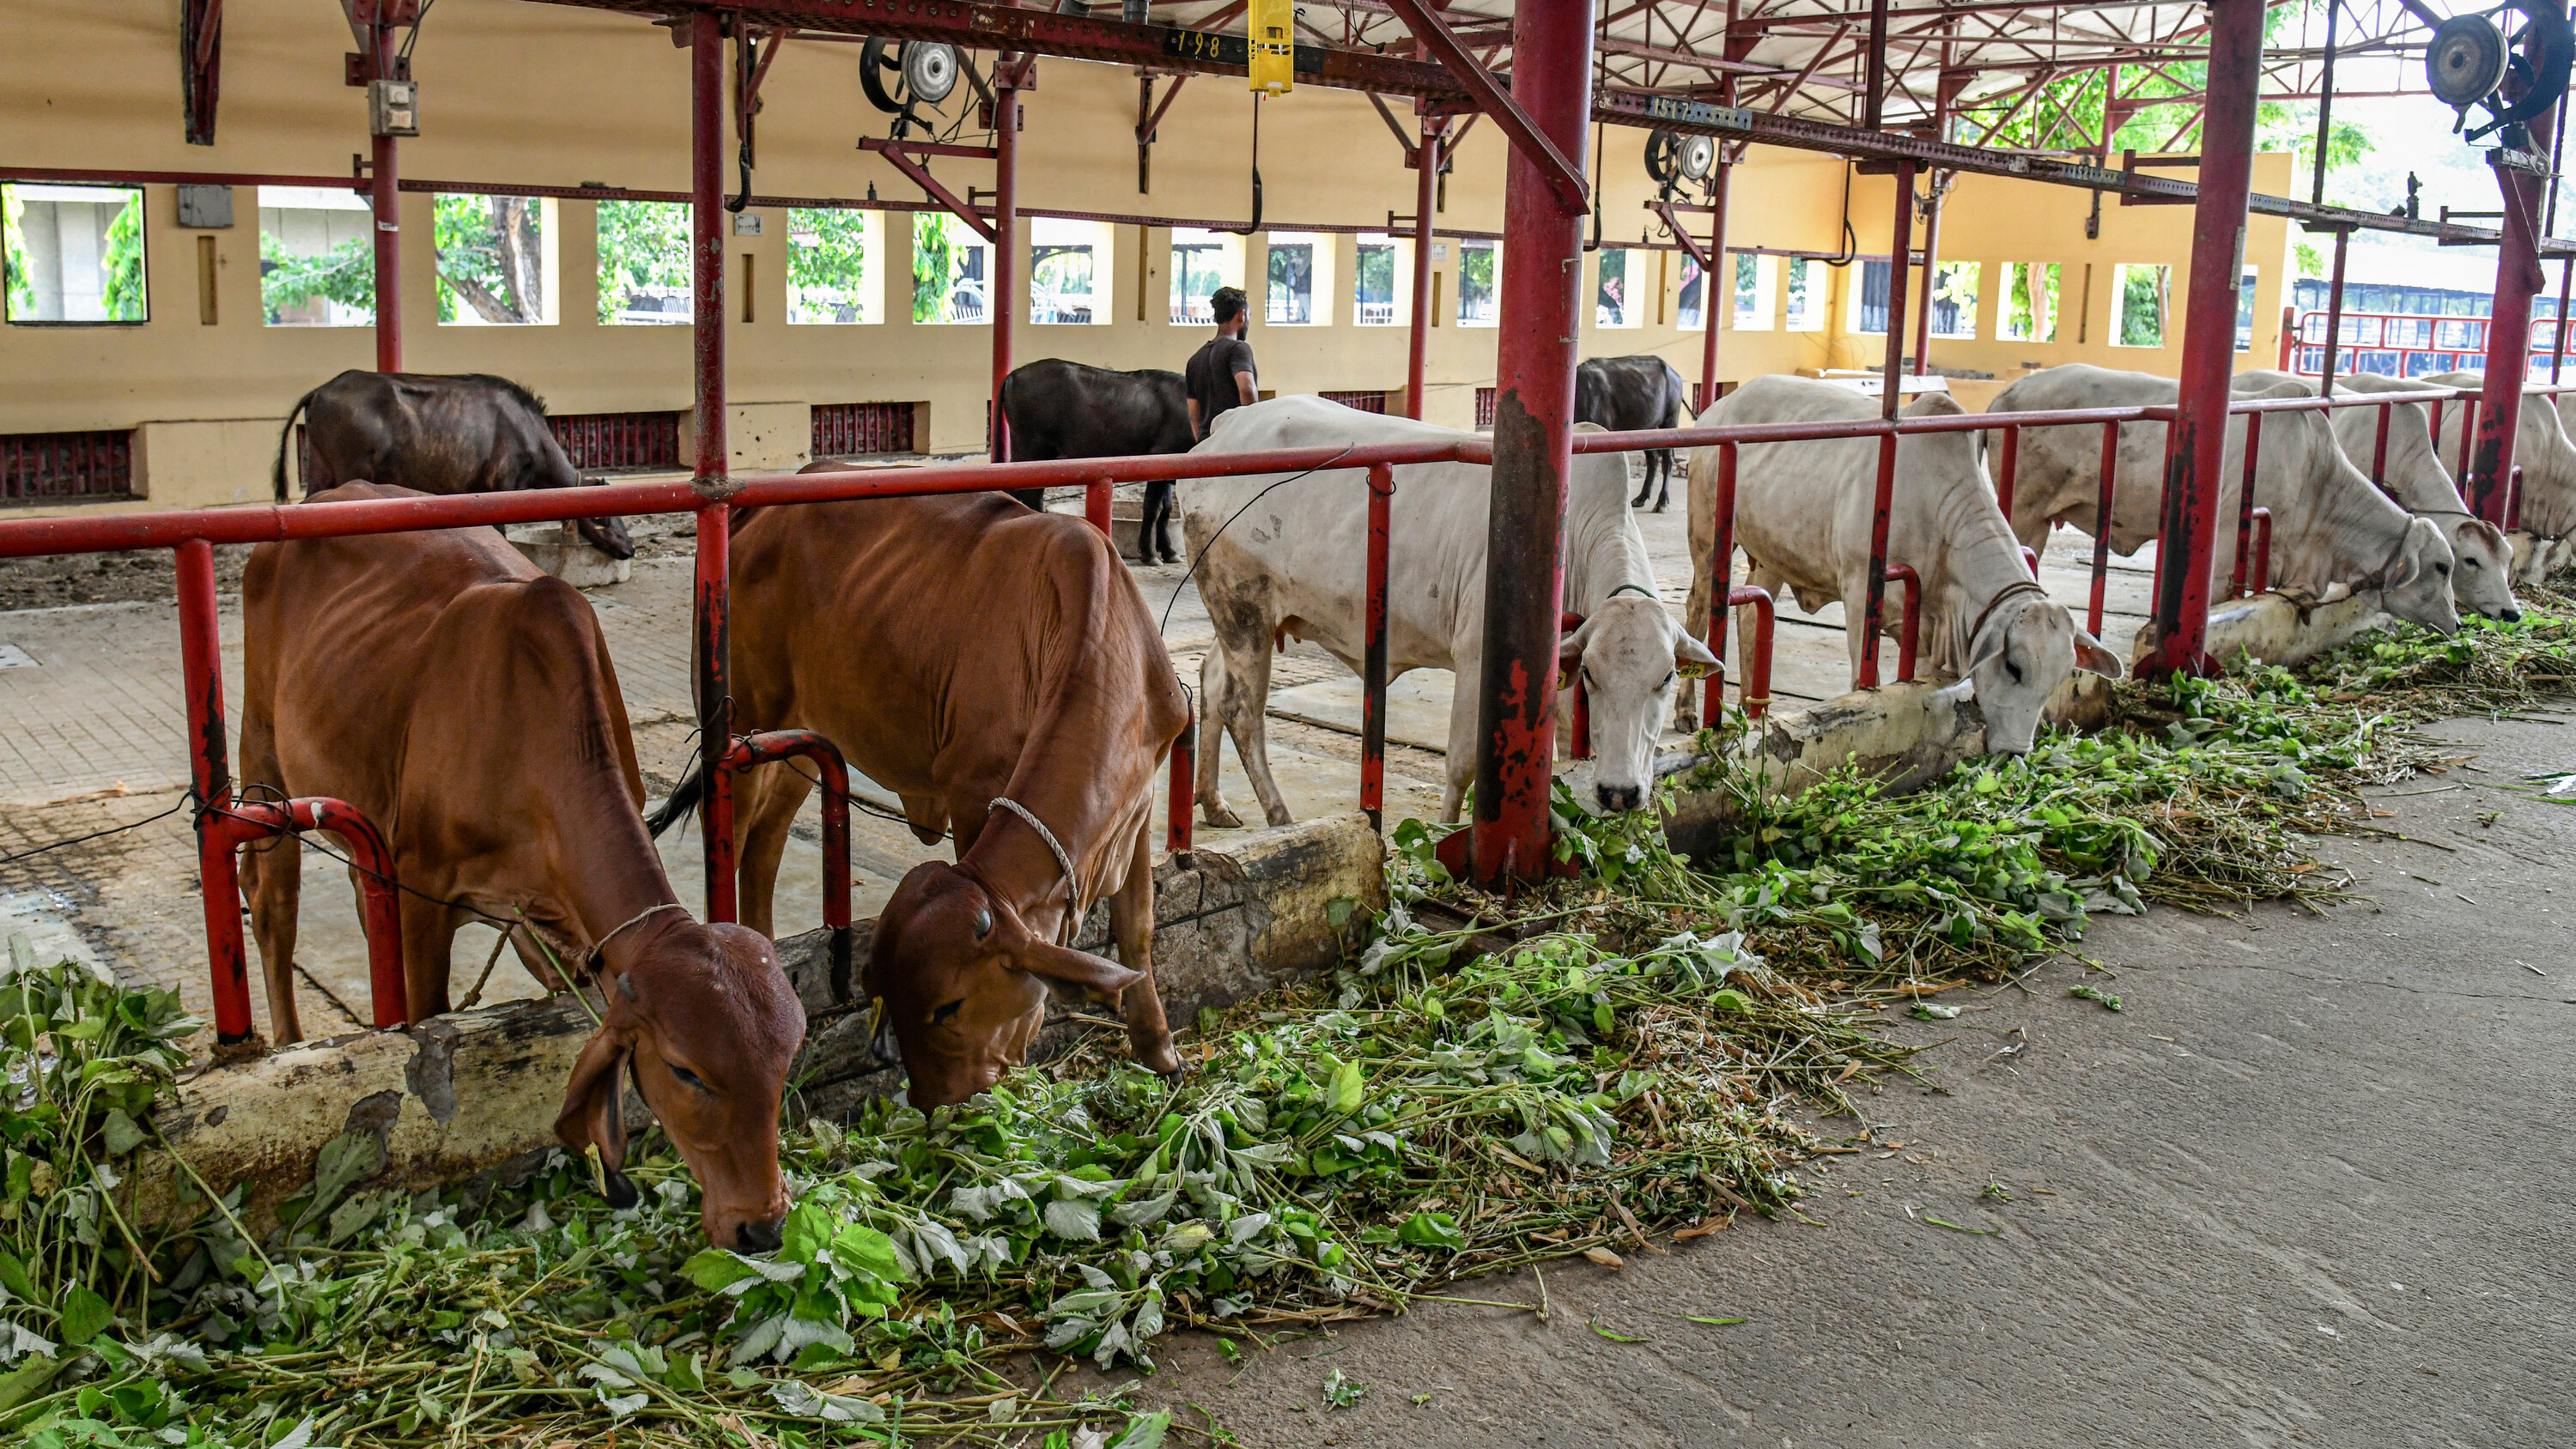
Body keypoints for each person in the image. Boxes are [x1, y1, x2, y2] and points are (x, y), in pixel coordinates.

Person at [1148, 286, 1260, 565]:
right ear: (1241, 315)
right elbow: (1247, 389)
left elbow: (1193, 415)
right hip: (1236, 449)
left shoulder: (1195, 359)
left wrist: (1204, 441)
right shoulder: (1238, 348)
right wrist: (1255, 427)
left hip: (1208, 450)